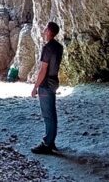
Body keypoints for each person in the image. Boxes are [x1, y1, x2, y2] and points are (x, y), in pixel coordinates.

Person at [31, 21, 64, 154]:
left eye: (46, 29)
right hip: (54, 81)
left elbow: (43, 69)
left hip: (45, 84)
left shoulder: (48, 48)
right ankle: (51, 141)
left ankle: (47, 144)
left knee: (48, 115)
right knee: (52, 114)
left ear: (50, 32)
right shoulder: (59, 47)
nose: (44, 31)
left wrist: (35, 87)